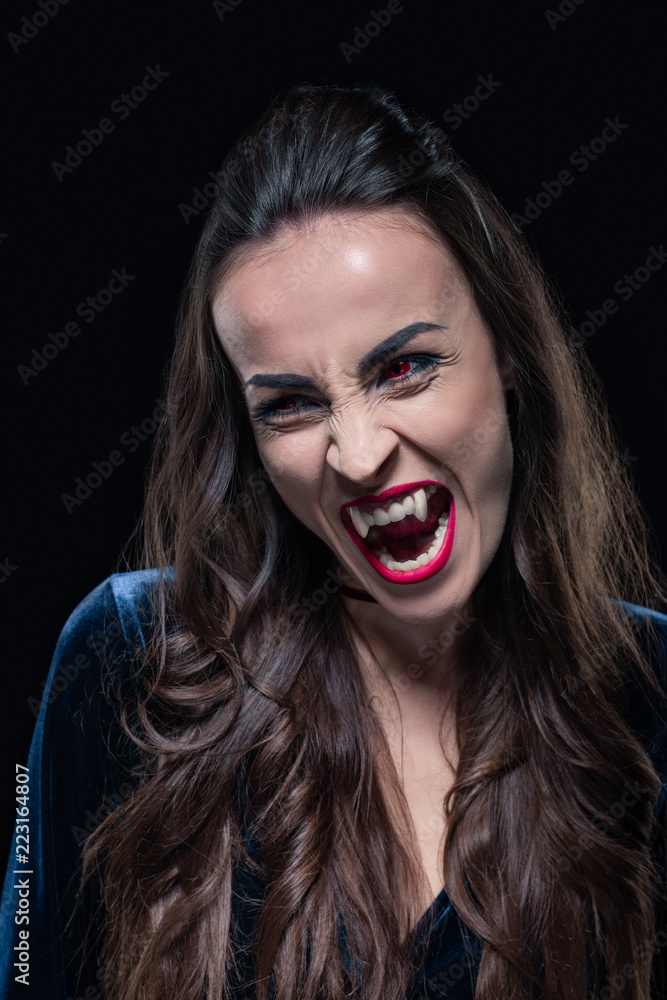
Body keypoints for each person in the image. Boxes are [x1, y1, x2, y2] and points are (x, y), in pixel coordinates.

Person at [1, 82, 667, 1000]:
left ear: (508, 351)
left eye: (404, 367)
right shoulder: (129, 660)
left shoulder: (648, 692)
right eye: (290, 404)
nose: (356, 455)